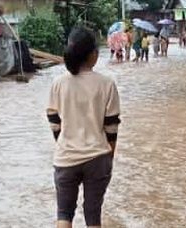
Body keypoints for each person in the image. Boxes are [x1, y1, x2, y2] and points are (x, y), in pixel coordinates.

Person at [47, 27, 121, 228]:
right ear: (93, 55)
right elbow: (111, 127)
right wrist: (109, 156)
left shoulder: (58, 83)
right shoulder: (106, 84)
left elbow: (53, 118)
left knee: (64, 214)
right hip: (98, 157)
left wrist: (63, 140)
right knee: (93, 215)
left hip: (66, 157)